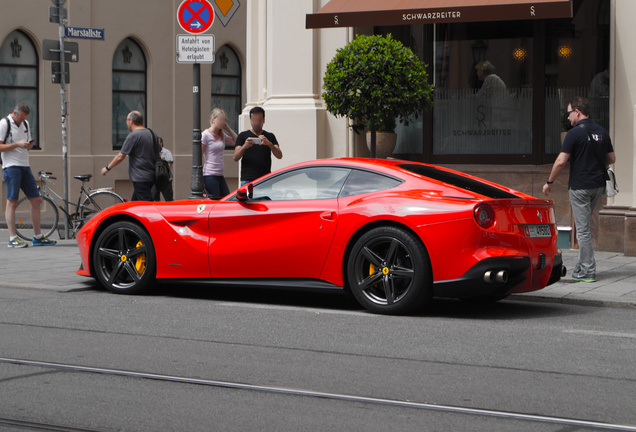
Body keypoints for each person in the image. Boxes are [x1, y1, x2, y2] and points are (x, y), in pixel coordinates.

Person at [543, 96, 616, 283]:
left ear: (577, 112)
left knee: (582, 230)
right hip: (598, 187)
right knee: (583, 227)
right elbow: (612, 158)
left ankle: (588, 270)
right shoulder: (601, 131)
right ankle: (582, 265)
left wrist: (549, 182)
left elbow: (560, 161)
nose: (568, 118)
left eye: (569, 114)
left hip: (580, 187)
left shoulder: (574, 134)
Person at [1, 103, 56, 248]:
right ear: (14, 113)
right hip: (11, 167)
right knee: (12, 201)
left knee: (36, 200)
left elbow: (27, 145)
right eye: (20, 118)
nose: (22, 120)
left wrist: (28, 145)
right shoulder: (4, 123)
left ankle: (37, 236)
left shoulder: (25, 123)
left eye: (25, 118)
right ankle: (12, 238)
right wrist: (17, 144)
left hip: (25, 166)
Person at [101, 111, 157, 201]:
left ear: (131, 121)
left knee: (146, 206)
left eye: (126, 120)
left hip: (140, 177)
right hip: (152, 176)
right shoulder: (152, 134)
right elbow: (158, 153)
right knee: (134, 203)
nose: (126, 123)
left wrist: (107, 168)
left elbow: (120, 157)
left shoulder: (133, 136)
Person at [234, 107, 283, 186]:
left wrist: (269, 144)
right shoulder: (243, 136)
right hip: (247, 179)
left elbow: (279, 155)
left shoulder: (269, 136)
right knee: (246, 198)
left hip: (265, 179)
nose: (256, 123)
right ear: (250, 120)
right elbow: (235, 157)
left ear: (263, 120)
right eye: (254, 120)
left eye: (259, 120)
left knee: (264, 198)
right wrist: (244, 146)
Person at [202, 108, 237, 199]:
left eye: (224, 120)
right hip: (209, 174)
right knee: (215, 201)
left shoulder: (222, 135)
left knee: (227, 199)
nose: (222, 122)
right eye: (221, 119)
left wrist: (228, 128)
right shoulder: (205, 135)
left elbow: (236, 142)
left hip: (220, 174)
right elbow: (200, 155)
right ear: (213, 120)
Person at [151, 137, 174, 201]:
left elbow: (168, 165)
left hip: (165, 178)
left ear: (161, 143)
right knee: (154, 197)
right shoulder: (152, 152)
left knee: (168, 198)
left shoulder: (166, 152)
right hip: (155, 179)